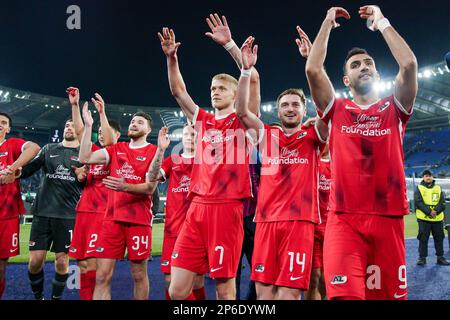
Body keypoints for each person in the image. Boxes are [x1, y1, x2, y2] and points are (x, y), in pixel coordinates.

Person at [305, 5, 418, 300]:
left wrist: (381, 22)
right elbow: (313, 69)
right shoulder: (337, 109)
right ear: (345, 80)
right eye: (355, 65)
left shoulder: (394, 108)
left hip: (389, 218)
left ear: (377, 72)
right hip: (344, 221)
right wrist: (327, 22)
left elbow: (408, 65)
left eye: (368, 63)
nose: (364, 66)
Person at [158, 14, 260, 300]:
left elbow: (252, 79)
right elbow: (178, 91)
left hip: (227, 209)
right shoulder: (202, 120)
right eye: (212, 88)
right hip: (197, 207)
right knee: (177, 289)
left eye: (221, 88)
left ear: (233, 92)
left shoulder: (243, 121)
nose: (215, 92)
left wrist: (230, 45)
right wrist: (171, 58)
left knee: (225, 287)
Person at [235, 37, 328, 300]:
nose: (290, 109)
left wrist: (312, 64)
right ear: (277, 110)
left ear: (304, 108)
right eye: (285, 105)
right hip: (265, 221)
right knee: (265, 295)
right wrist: (244, 71)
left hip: (300, 223)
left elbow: (327, 108)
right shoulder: (267, 134)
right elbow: (242, 112)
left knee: (288, 294)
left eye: (295, 104)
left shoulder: (313, 136)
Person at [79, 107, 169, 300]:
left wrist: (125, 186)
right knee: (102, 276)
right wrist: (88, 126)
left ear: (148, 130)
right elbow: (84, 158)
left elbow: (149, 188)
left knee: (138, 275)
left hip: (139, 220)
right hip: (111, 220)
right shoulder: (116, 149)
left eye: (140, 122)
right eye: (132, 121)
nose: (134, 124)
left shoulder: (153, 151)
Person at [19, 118, 87, 300]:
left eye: (73, 126)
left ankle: (56, 298)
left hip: (67, 215)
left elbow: (90, 183)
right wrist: (17, 170)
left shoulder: (85, 154)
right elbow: (30, 168)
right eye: (66, 125)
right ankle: (38, 296)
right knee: (34, 262)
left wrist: (83, 177)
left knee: (62, 262)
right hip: (42, 213)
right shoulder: (49, 149)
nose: (69, 128)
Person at [66, 87, 121, 300]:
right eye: (99, 130)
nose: (101, 133)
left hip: (103, 214)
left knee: (97, 266)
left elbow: (107, 136)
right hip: (84, 212)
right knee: (82, 264)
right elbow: (81, 133)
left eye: (105, 130)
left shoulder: (119, 152)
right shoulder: (94, 154)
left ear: (116, 135)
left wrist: (102, 114)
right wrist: (74, 107)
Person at [158, 124, 206, 300]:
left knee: (198, 281)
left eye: (193, 134)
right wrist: (160, 151)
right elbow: (153, 176)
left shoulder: (205, 160)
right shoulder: (173, 160)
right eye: (186, 134)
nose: (189, 137)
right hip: (173, 228)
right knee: (169, 279)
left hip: (198, 229)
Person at [0, 112, 40, 299]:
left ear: (8, 128)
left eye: (3, 123)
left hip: (6, 215)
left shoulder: (12, 145)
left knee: (1, 265)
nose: (0, 125)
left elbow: (34, 148)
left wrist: (13, 167)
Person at [306, 144, 330, 300]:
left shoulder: (340, 164)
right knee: (313, 276)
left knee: (326, 278)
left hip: (333, 229)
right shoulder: (310, 162)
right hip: (312, 227)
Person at [415, 169, 450, 266]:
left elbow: (442, 202)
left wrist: (436, 211)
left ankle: (440, 257)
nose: (428, 177)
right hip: (423, 218)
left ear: (432, 177)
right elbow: (418, 202)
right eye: (426, 176)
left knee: (439, 238)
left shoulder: (438, 188)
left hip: (437, 218)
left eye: (429, 175)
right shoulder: (419, 188)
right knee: (423, 238)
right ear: (423, 177)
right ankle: (422, 258)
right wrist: (429, 212)